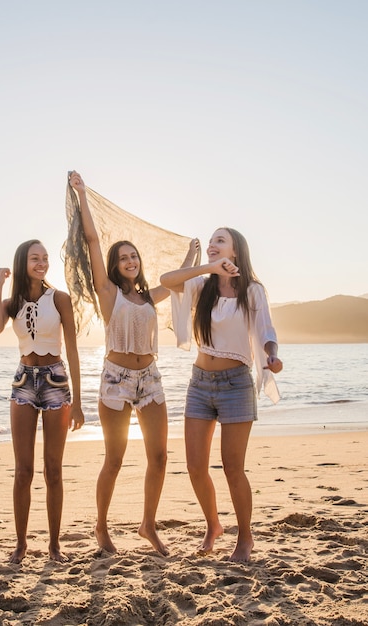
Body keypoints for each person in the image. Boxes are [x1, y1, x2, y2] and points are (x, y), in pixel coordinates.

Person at [68, 171, 199, 555]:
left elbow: (178, 282)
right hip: (116, 379)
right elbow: (92, 240)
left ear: (139, 263)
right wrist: (82, 194)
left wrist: (192, 255)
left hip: (151, 377)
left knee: (159, 456)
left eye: (133, 256)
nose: (129, 260)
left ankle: (147, 525)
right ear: (114, 265)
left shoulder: (148, 297)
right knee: (114, 457)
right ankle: (101, 527)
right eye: (123, 257)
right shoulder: (108, 293)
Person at [160, 227, 283, 562]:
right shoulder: (203, 286)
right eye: (211, 241)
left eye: (220, 241)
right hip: (199, 383)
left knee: (232, 467)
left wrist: (271, 356)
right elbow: (168, 279)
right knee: (195, 466)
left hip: (236, 384)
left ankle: (245, 537)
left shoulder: (253, 291)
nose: (212, 245)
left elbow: (266, 330)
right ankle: (213, 525)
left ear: (236, 251)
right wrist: (206, 267)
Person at [0, 239, 84, 563]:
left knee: (53, 470)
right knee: (23, 471)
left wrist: (80, 402)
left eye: (45, 258)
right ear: (22, 262)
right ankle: (21, 544)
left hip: (56, 380)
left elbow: (71, 350)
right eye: (35, 258)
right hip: (23, 381)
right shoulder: (11, 302)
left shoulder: (60, 299)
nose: (42, 263)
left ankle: (54, 545)